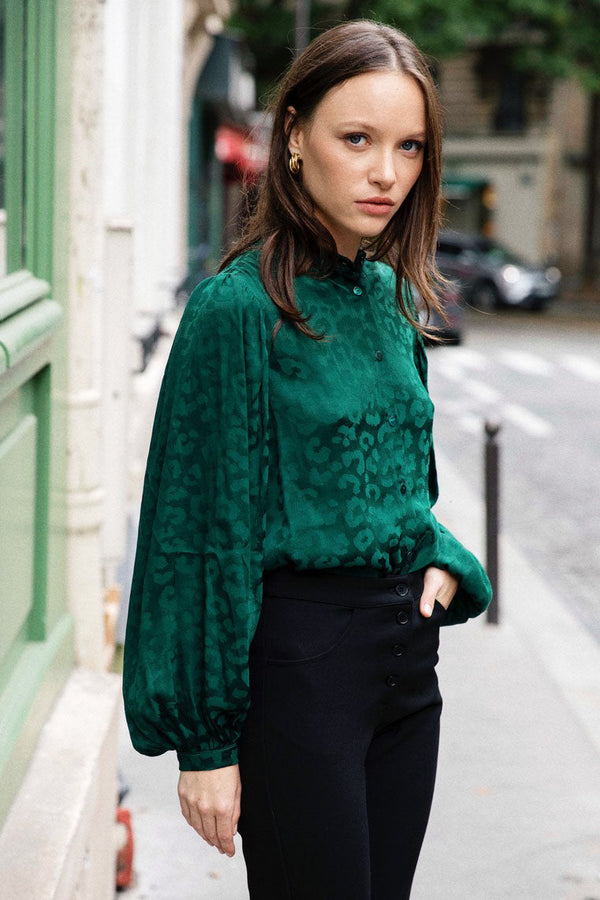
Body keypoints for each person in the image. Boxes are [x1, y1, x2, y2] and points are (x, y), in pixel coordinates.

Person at [123, 19, 492, 900]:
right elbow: (196, 535)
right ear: (294, 137)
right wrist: (205, 745)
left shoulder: (391, 297)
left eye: (408, 147)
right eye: (356, 139)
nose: (385, 172)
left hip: (407, 674)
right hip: (301, 673)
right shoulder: (238, 309)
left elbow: (402, 488)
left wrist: (445, 558)